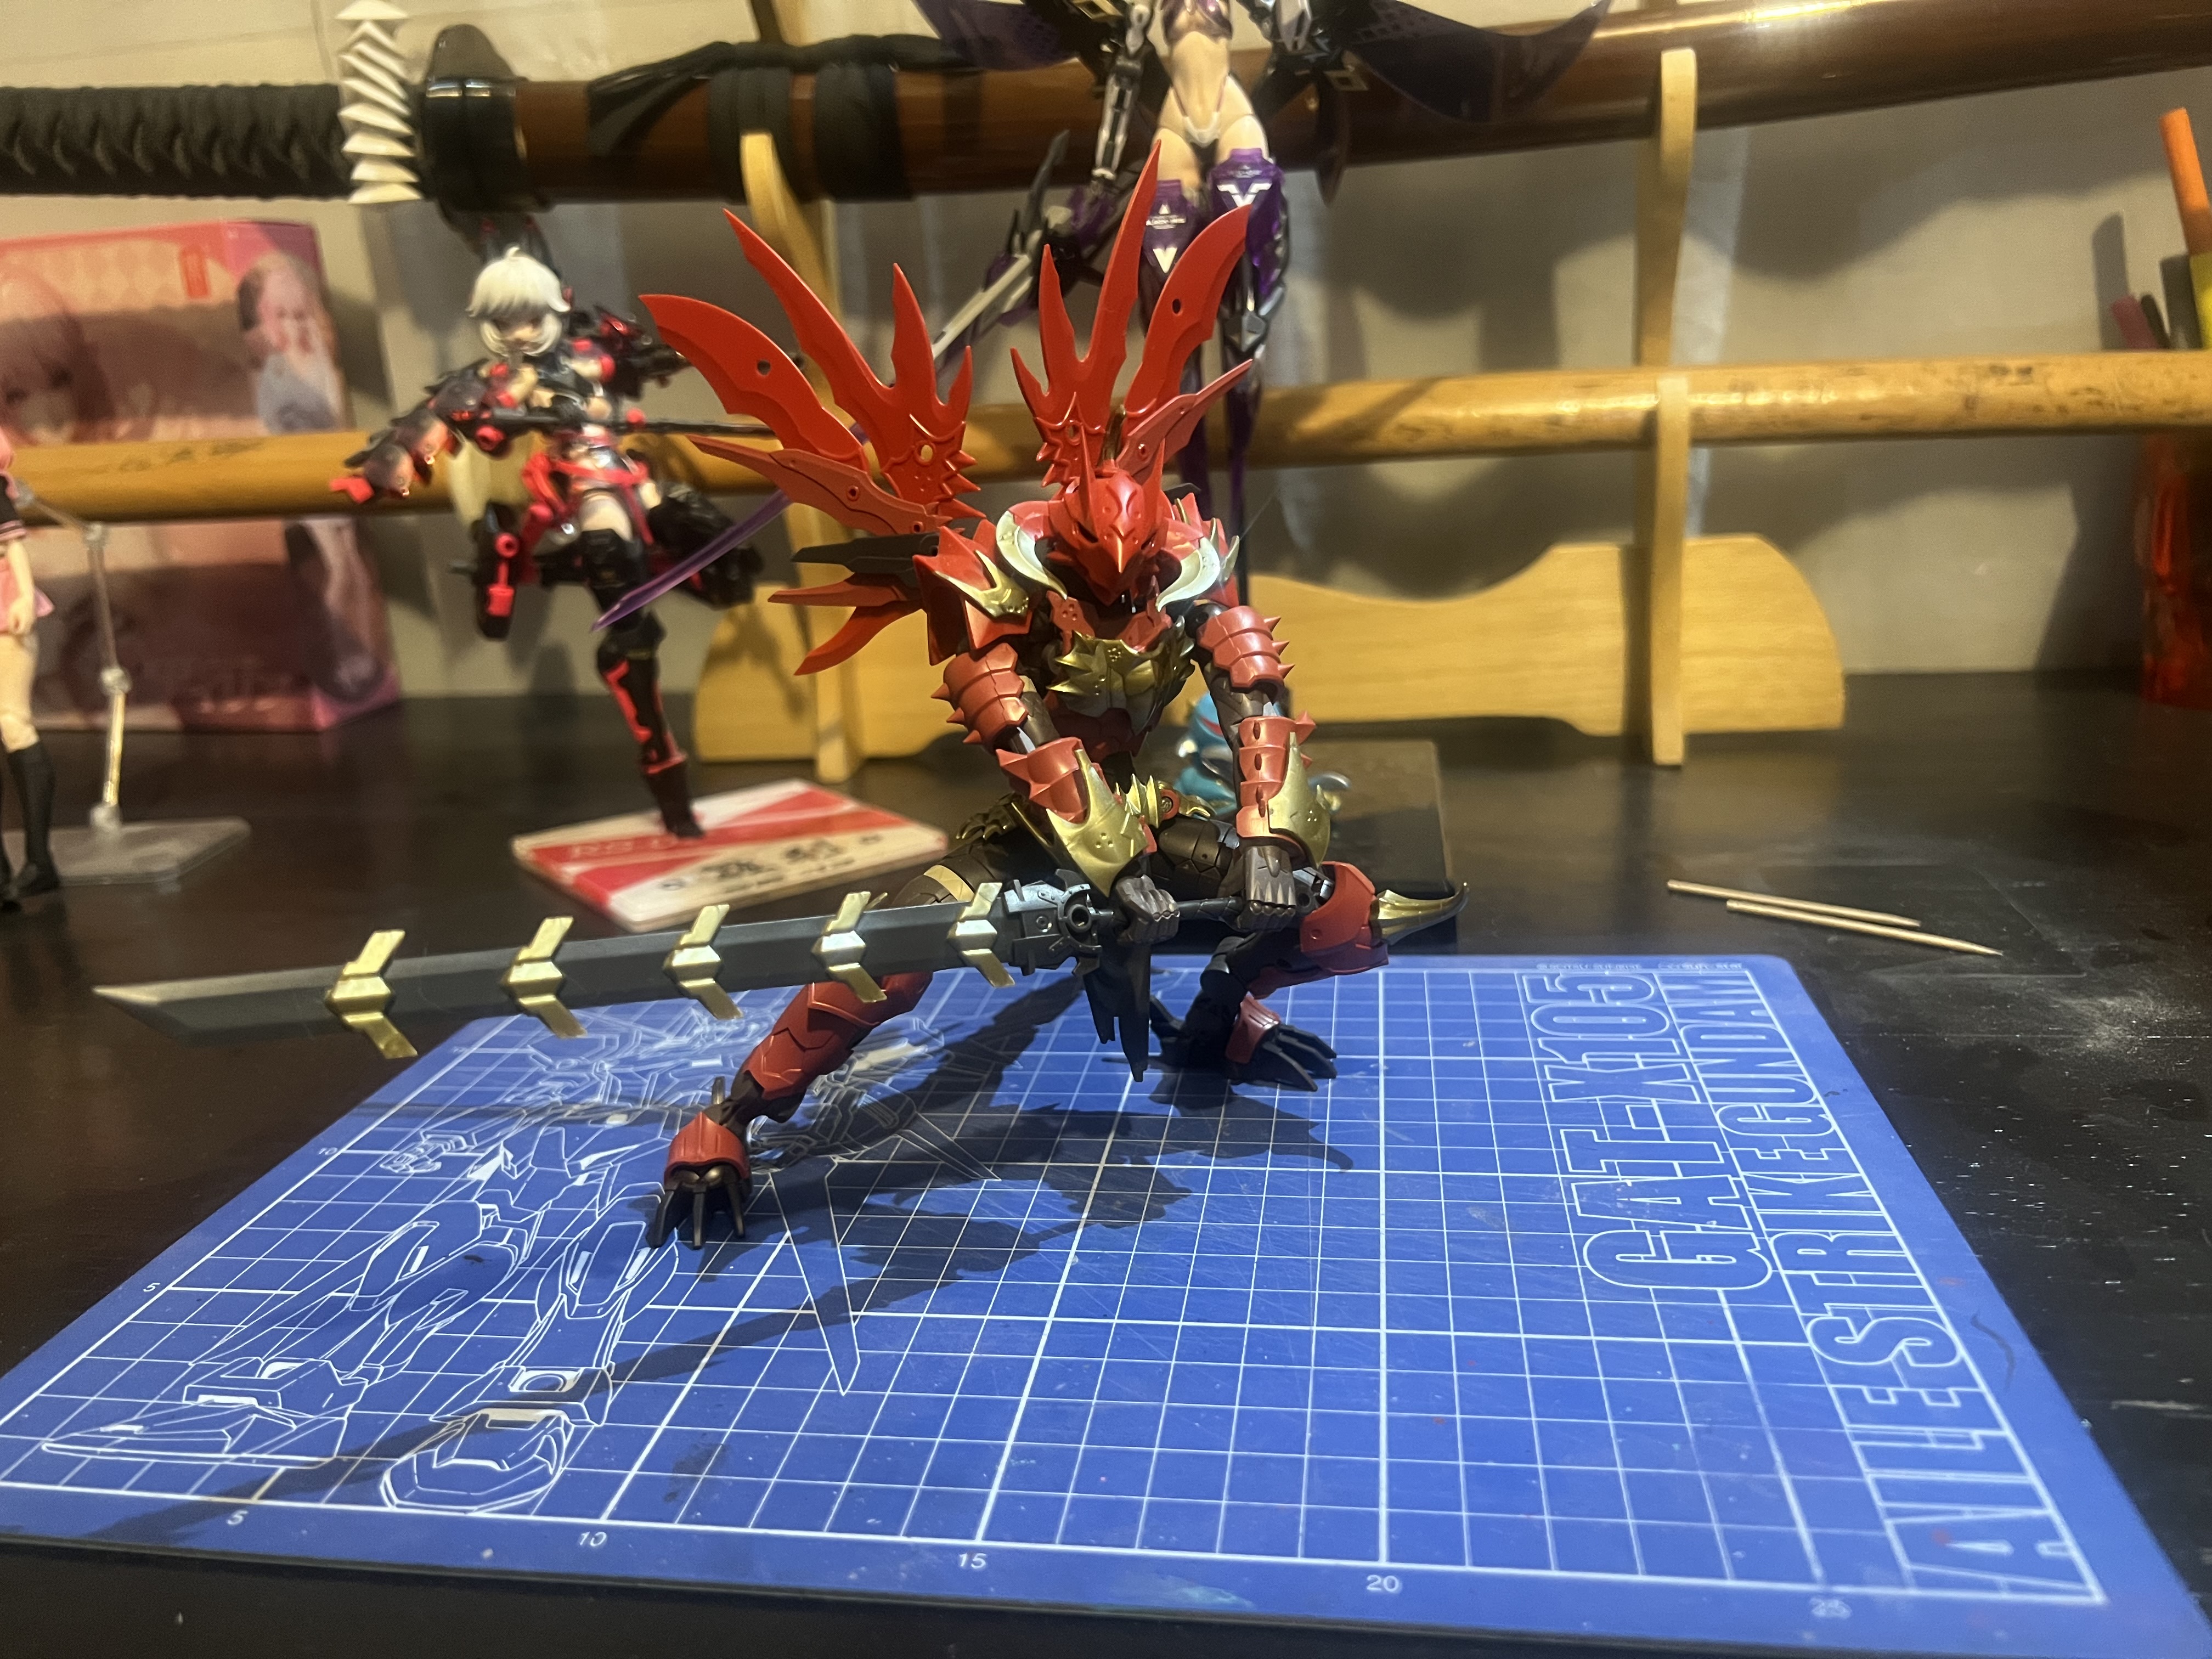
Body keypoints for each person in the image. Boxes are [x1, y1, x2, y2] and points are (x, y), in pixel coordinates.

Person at [0, 431, 56, 904]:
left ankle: (39, 861)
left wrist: (21, 595)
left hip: (4, 610)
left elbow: (14, 544)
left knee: (13, 722)